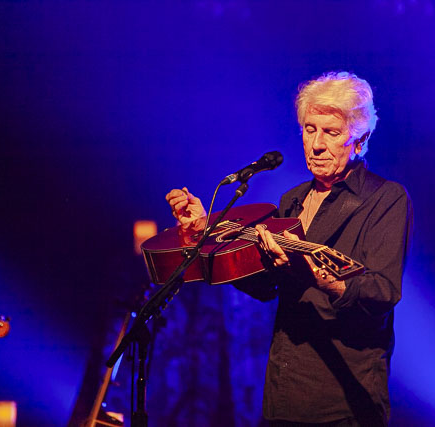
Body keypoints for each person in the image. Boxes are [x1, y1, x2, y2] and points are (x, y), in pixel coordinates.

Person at [166, 72, 412, 426]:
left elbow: (383, 291)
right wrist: (205, 232)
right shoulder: (292, 200)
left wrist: (320, 275)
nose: (316, 144)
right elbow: (267, 286)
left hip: (344, 399)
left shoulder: (385, 198)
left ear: (360, 140)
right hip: (283, 390)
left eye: (331, 132)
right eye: (310, 129)